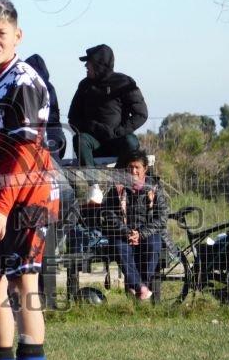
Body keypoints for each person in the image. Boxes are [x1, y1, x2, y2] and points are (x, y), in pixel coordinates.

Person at [0, 0, 59, 360]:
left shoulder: (23, 80)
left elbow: (25, 151)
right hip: (4, 194)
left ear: (17, 35)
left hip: (31, 196)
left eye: (1, 33)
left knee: (24, 285)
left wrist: (1, 208)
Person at [68, 44, 148, 203]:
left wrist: (118, 132)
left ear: (99, 65)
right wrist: (93, 128)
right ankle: (94, 187)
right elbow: (73, 118)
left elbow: (141, 114)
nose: (86, 66)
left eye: (89, 62)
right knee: (80, 140)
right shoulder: (84, 86)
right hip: (94, 144)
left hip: (117, 142)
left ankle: (122, 183)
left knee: (131, 141)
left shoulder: (124, 83)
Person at [102, 149, 167, 300]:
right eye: (130, 167)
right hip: (124, 235)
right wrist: (127, 232)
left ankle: (138, 285)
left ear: (145, 169)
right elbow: (110, 215)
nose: (133, 171)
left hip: (148, 233)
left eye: (137, 167)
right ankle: (141, 288)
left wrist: (141, 233)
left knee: (154, 245)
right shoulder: (117, 188)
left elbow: (162, 218)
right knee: (120, 248)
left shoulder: (155, 187)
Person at [25, 54, 66, 166]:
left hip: (50, 132)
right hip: (44, 132)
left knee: (52, 164)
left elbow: (51, 115)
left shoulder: (46, 88)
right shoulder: (45, 87)